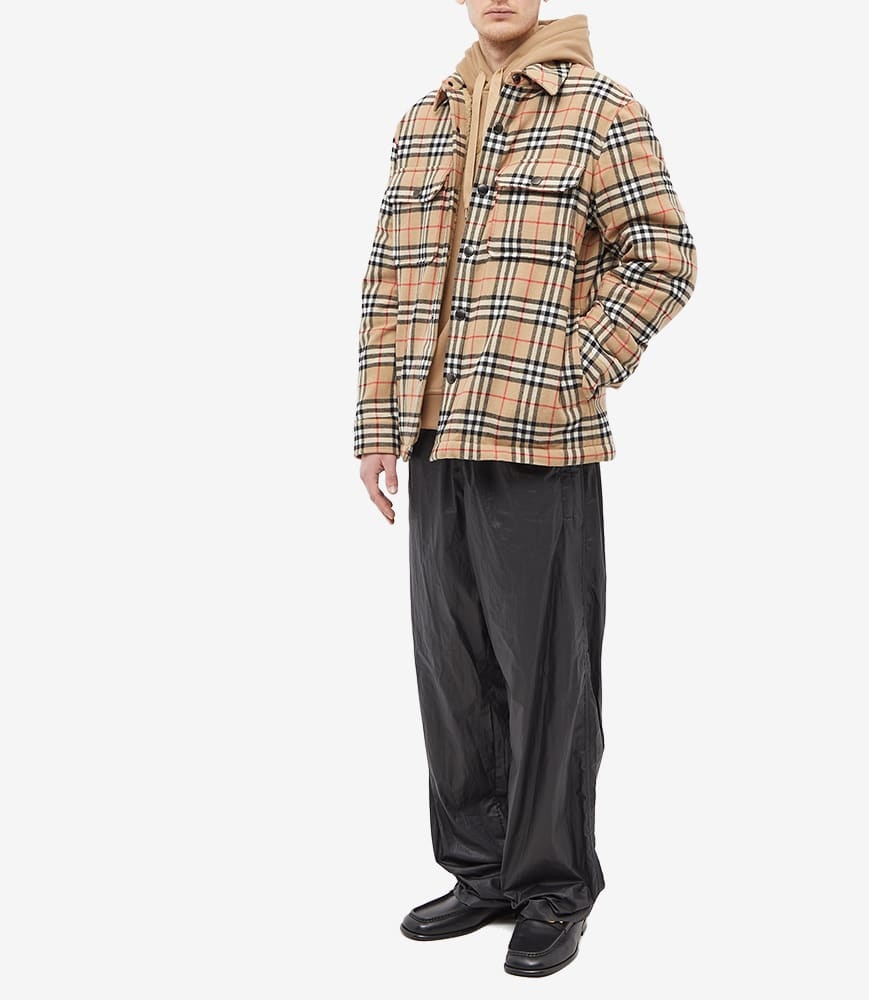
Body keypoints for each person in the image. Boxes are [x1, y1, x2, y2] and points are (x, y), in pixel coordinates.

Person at [353, 1, 697, 977]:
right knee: (452, 671)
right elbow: (386, 281)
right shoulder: (424, 117)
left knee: (547, 675)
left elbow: (663, 255)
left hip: (540, 438)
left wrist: (572, 364)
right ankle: (482, 871)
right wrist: (377, 428)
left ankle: (551, 886)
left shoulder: (601, 109)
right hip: (434, 436)